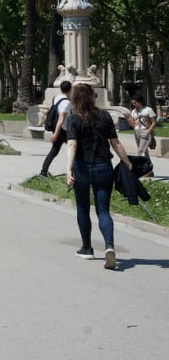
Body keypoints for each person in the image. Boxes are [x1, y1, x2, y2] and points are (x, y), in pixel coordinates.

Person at [65, 82, 132, 270]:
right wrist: (128, 164)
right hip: (104, 167)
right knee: (103, 210)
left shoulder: (73, 119)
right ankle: (109, 246)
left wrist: (69, 169)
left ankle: (87, 248)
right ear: (92, 97)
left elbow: (72, 145)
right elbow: (116, 143)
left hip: (81, 169)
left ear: (74, 99)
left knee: (83, 208)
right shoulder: (105, 116)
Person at [39, 80, 72, 177]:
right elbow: (61, 119)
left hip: (57, 128)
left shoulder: (56, 98)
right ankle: (74, 172)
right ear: (70, 89)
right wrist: (56, 134)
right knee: (76, 149)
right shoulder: (66, 103)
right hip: (63, 130)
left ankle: (43, 171)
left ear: (61, 88)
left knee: (54, 151)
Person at [127, 93, 157, 159]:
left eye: (135, 103)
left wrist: (148, 132)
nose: (134, 104)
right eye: (132, 103)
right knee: (144, 152)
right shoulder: (133, 111)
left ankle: (142, 167)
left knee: (141, 152)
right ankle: (148, 168)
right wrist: (128, 120)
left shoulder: (148, 109)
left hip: (145, 131)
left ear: (140, 101)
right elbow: (132, 124)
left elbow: (154, 122)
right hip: (136, 132)